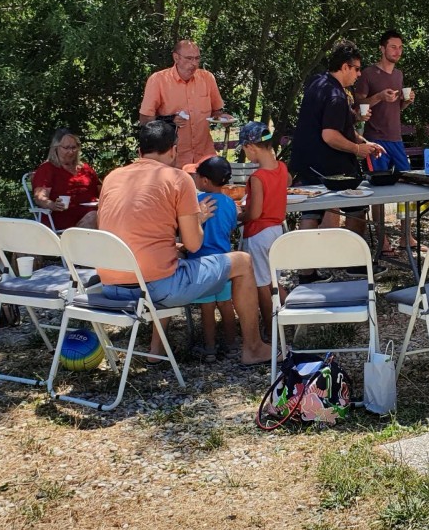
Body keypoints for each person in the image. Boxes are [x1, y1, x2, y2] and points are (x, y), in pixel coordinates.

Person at [96, 120, 271, 366]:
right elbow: (194, 244)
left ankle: (156, 350)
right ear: (173, 150)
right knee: (243, 261)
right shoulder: (178, 179)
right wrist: (197, 219)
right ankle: (252, 348)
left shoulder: (112, 178)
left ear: (140, 152)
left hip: (111, 287)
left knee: (168, 260)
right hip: (156, 288)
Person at [289, 40, 383, 235]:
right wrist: (358, 150)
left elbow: (341, 127)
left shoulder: (317, 81)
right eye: (356, 69)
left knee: (311, 212)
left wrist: (365, 142)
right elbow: (330, 135)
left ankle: (306, 266)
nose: (359, 74)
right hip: (328, 167)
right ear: (344, 67)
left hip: (306, 162)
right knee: (357, 208)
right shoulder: (336, 96)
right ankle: (355, 263)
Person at [354, 30, 416, 254]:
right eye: (393, 47)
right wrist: (379, 96)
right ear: (382, 48)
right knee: (378, 191)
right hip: (375, 138)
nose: (397, 51)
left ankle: (406, 236)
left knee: (409, 186)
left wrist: (406, 102)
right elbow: (358, 105)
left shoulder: (399, 75)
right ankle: (382, 239)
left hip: (396, 138)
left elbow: (396, 108)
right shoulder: (368, 74)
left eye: (400, 47)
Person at [138, 39, 228, 169]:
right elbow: (145, 121)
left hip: (204, 158)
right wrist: (169, 120)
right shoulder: (158, 80)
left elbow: (217, 112)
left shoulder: (207, 78)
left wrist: (223, 118)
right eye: (189, 58)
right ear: (176, 57)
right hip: (173, 160)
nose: (194, 63)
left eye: (197, 58)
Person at [189, 156, 239, 361]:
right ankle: (233, 345)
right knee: (226, 304)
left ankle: (209, 349)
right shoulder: (230, 203)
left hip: (201, 261)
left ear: (205, 181)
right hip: (224, 261)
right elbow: (233, 227)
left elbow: (189, 230)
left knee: (207, 307)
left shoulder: (197, 202)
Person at [237, 121, 289, 317]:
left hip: (258, 234)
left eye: (244, 149)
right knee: (274, 282)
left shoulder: (257, 177)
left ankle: (270, 326)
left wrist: (239, 217)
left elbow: (255, 214)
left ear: (251, 147)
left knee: (261, 284)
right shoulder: (282, 168)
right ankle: (292, 312)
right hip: (276, 231)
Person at [31, 128, 101, 229]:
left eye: (74, 147)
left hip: (92, 213)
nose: (71, 152)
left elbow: (102, 191)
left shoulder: (85, 168)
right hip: (63, 218)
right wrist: (53, 205)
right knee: (94, 217)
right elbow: (40, 198)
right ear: (56, 148)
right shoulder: (48, 169)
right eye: (66, 148)